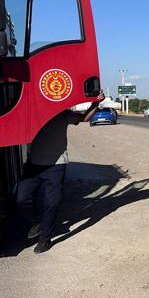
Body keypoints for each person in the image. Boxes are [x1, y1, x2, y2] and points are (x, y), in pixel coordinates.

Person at [17, 95, 103, 253]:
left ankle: (45, 239)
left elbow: (84, 118)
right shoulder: (31, 112)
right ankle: (37, 223)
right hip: (34, 164)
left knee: (52, 202)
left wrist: (96, 102)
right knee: (22, 198)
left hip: (57, 165)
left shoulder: (62, 114)